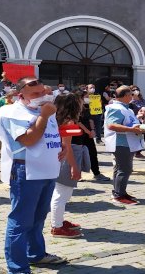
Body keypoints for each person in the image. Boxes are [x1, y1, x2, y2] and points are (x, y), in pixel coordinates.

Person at [0, 76, 67, 273]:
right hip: (26, 171)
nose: (42, 96)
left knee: (39, 216)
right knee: (21, 220)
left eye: (43, 92)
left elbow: (50, 134)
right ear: (20, 94)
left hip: (47, 169)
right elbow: (29, 140)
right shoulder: (12, 112)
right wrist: (44, 116)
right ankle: (17, 267)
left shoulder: (44, 109)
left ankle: (36, 254)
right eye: (36, 94)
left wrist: (62, 146)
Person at [49, 93, 83, 237]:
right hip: (64, 160)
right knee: (62, 195)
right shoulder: (69, 122)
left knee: (59, 193)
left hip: (54, 158)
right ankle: (57, 227)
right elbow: (66, 146)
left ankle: (59, 222)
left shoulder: (55, 119)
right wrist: (74, 167)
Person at [104, 86, 145, 205]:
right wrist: (131, 129)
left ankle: (119, 192)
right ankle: (119, 195)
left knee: (120, 169)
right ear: (126, 96)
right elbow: (111, 125)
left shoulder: (126, 108)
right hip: (121, 143)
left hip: (126, 142)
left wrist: (137, 120)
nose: (132, 97)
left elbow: (127, 122)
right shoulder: (117, 108)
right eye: (131, 95)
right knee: (124, 169)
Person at [77, 91, 110, 182]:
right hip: (77, 134)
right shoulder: (74, 109)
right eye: (86, 97)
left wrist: (92, 130)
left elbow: (90, 119)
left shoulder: (86, 108)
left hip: (88, 134)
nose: (88, 98)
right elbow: (78, 122)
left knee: (93, 153)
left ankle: (96, 173)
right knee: (78, 155)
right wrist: (88, 131)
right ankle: (77, 174)